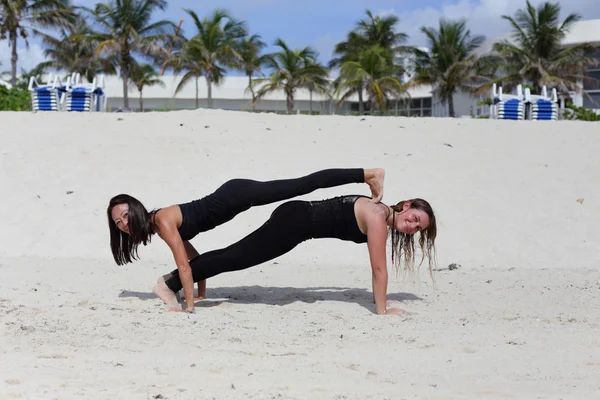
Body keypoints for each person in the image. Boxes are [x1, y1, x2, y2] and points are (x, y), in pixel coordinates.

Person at [107, 168, 386, 313]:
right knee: (299, 185)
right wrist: (201, 292)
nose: (124, 223)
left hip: (235, 195)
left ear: (135, 206)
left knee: (300, 184)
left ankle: (366, 174)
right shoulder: (158, 223)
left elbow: (183, 266)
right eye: (118, 223)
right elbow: (193, 259)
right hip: (234, 196)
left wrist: (189, 305)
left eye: (124, 215)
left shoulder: (163, 221)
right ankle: (364, 174)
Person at [154, 194, 437, 316]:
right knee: (236, 257)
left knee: (235, 256)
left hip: (296, 216)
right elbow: (378, 270)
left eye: (417, 228)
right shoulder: (377, 217)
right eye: (414, 218)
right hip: (295, 225)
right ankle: (170, 283)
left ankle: (175, 279)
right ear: (407, 204)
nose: (412, 227)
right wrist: (382, 309)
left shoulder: (381, 210)